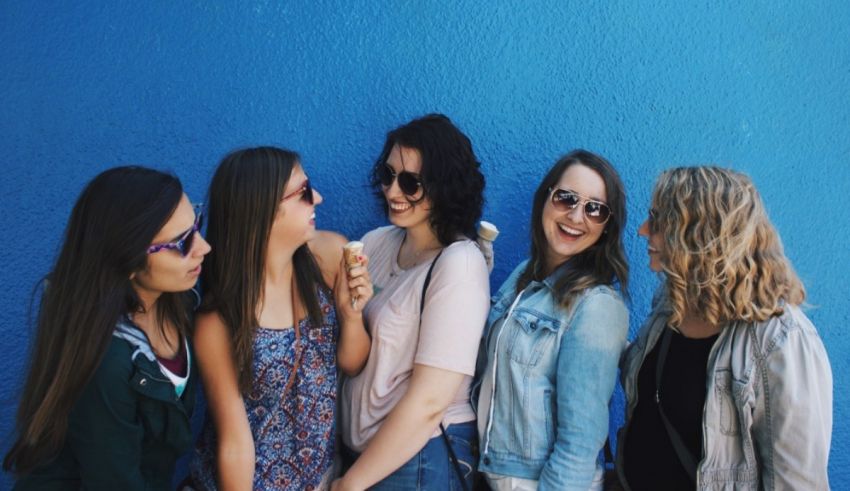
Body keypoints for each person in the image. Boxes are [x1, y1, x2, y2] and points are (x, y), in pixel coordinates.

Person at [616, 166, 832, 490]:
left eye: (659, 221)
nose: (643, 231)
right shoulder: (670, 304)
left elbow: (798, 482)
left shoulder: (781, 339)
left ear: (701, 235)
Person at [4, 166, 210, 490]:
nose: (204, 247)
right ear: (127, 260)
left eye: (197, 223)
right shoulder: (108, 363)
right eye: (182, 242)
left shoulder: (183, 299)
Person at [189, 147, 371, 490]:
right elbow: (234, 441)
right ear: (263, 209)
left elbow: (352, 363)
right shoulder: (219, 320)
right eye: (303, 192)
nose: (317, 197)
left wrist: (351, 315)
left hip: (318, 478)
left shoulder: (329, 257)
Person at [334, 114, 489, 491]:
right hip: (366, 459)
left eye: (410, 183)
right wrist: (349, 316)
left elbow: (430, 400)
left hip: (418, 461)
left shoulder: (459, 263)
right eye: (388, 175)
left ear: (445, 187)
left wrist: (350, 484)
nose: (392, 191)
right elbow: (353, 362)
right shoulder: (375, 244)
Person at [473, 150, 629, 490]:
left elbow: (580, 442)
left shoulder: (597, 305)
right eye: (566, 198)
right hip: (492, 475)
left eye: (595, 208)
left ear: (606, 226)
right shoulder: (521, 278)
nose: (576, 216)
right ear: (545, 198)